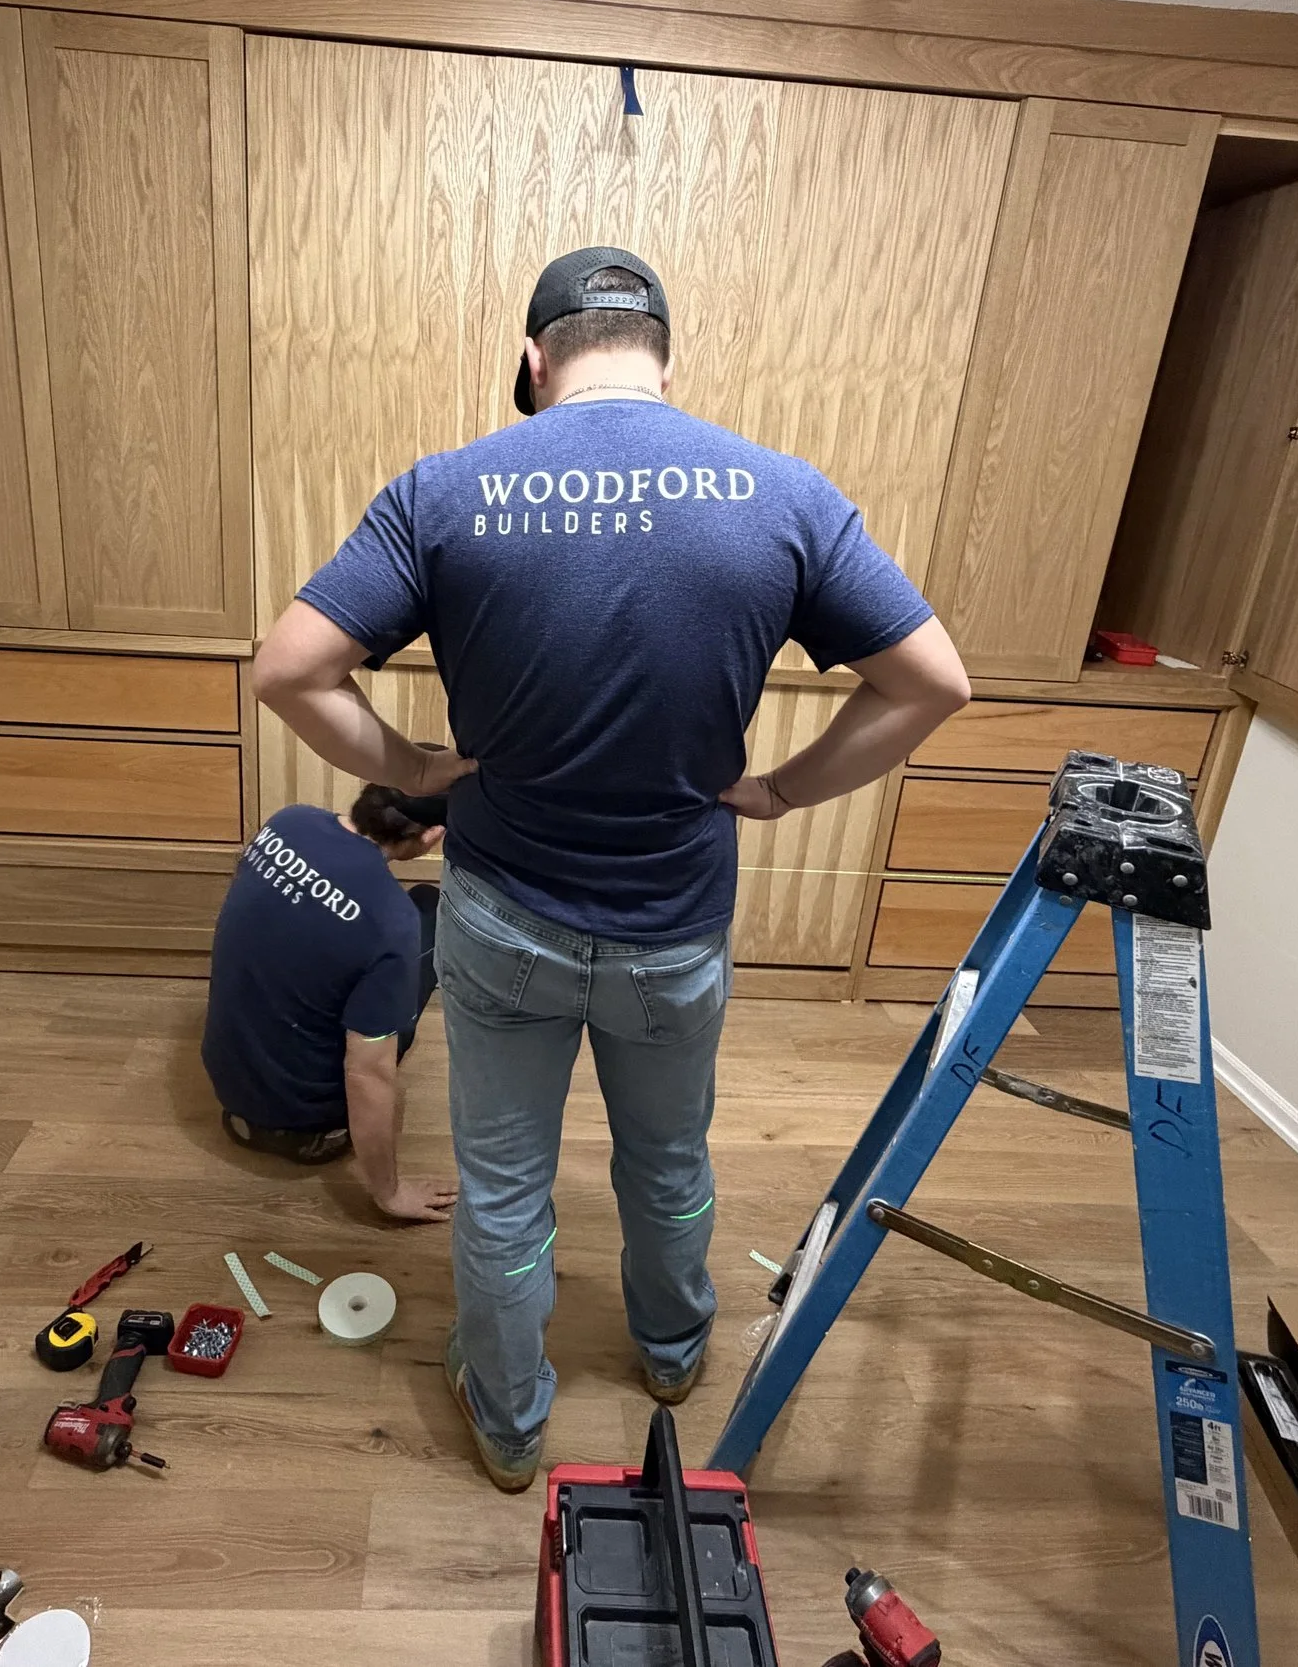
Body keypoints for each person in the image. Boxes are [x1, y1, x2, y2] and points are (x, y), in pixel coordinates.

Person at [253, 246, 971, 1489]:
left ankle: (510, 1415)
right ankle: (673, 1346)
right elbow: (933, 684)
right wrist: (782, 791)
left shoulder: (445, 490)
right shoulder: (782, 494)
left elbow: (287, 671)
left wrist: (420, 771)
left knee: (501, 1187)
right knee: (669, 1160)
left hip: (503, 919)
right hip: (672, 926)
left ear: (536, 361)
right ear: (664, 362)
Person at [200, 783, 459, 1225]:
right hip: (306, 1126)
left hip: (226, 1085)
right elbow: (368, 1073)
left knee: (412, 911)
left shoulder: (288, 822)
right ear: (432, 835)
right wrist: (390, 1193)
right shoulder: (390, 922)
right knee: (430, 915)